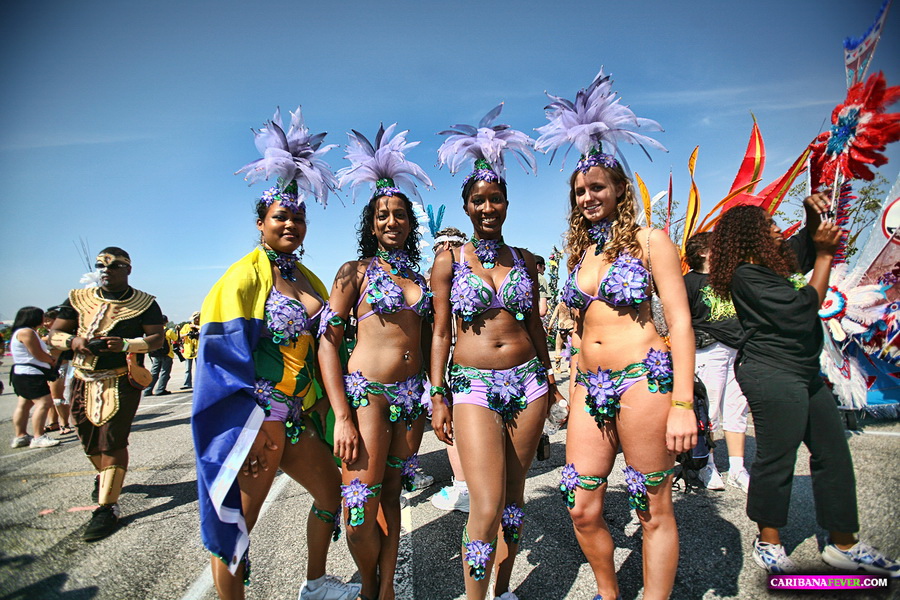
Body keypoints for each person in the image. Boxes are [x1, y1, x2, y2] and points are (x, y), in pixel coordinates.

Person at [535, 70, 696, 600]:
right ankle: (609, 593)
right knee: (580, 506)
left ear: (620, 190)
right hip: (590, 390)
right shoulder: (579, 258)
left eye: (597, 187)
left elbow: (680, 322)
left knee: (652, 509)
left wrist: (683, 401)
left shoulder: (652, 241)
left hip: (643, 384)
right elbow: (576, 331)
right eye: (579, 190)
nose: (587, 197)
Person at [193, 108, 359, 600]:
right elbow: (220, 354)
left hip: (296, 417)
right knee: (238, 523)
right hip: (260, 422)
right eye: (281, 217)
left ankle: (314, 583)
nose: (291, 224)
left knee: (331, 495)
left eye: (299, 217)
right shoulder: (244, 277)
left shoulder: (307, 279)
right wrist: (243, 424)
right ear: (261, 223)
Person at [708, 194, 899, 577]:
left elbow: (807, 245)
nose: (779, 229)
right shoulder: (747, 274)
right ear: (751, 237)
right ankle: (769, 541)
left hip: (804, 373)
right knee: (777, 459)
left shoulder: (771, 265)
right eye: (769, 226)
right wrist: (826, 257)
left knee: (833, 454)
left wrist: (816, 212)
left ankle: (843, 543)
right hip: (771, 373)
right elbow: (800, 310)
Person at [430, 104, 559, 600]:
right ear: (466, 206)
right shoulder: (450, 259)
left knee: (513, 498)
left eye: (497, 199)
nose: (488, 208)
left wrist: (549, 380)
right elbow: (442, 333)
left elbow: (534, 326)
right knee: (484, 504)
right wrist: (437, 394)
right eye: (480, 200)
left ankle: (502, 590)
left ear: (506, 204)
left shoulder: (525, 260)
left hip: (528, 383)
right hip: (472, 385)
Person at [318, 124, 434, 600]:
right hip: (368, 397)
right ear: (371, 224)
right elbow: (328, 343)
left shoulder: (422, 278)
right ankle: (368, 582)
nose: (392, 222)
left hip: (412, 400)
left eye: (400, 215)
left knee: (390, 496)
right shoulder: (354, 272)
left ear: (411, 223)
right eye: (383, 215)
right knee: (359, 510)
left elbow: (433, 338)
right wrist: (342, 415)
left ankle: (384, 589)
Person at [49, 247, 165, 541]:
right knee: (88, 439)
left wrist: (126, 345)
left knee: (112, 438)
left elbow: (156, 338)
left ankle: (106, 508)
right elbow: (54, 335)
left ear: (128, 269)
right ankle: (105, 478)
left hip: (119, 379)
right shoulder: (78, 299)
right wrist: (75, 341)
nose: (106, 270)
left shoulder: (143, 303)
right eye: (101, 265)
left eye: (114, 265)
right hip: (82, 378)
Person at [684, 232, 752, 492]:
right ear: (702, 251)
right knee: (708, 413)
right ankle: (707, 465)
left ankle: (737, 468)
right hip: (707, 352)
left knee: (737, 411)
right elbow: (681, 321)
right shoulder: (688, 282)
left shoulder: (732, 279)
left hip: (738, 351)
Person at [428, 226, 471, 513]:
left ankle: (463, 487)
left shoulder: (442, 275)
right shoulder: (476, 270)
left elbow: (438, 330)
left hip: (454, 360)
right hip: (470, 361)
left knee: (452, 423)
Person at [9, 306, 60, 449]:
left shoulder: (20, 332)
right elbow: (37, 354)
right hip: (31, 374)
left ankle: (21, 435)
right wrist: (50, 360)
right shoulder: (27, 332)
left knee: (24, 405)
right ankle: (38, 436)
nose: (44, 319)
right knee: (44, 403)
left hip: (22, 373)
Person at [147, 317, 176, 396]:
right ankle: (160, 389)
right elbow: (176, 338)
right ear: (166, 322)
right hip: (167, 354)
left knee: (154, 372)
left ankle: (148, 390)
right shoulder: (168, 331)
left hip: (155, 354)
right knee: (164, 372)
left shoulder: (153, 331)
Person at [547, 300, 575, 372]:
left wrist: (549, 327)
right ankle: (570, 367)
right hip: (571, 328)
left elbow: (553, 318)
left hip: (561, 328)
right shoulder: (572, 306)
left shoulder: (559, 306)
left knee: (558, 347)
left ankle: (558, 368)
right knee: (571, 348)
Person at [180, 312, 200, 389]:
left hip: (198, 350)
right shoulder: (186, 326)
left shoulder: (200, 326)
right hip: (188, 350)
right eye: (195, 318)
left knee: (199, 368)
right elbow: (180, 335)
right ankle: (187, 384)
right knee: (187, 369)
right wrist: (188, 334)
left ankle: (199, 383)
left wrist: (196, 328)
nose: (197, 319)